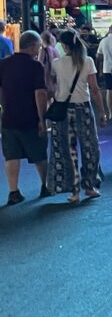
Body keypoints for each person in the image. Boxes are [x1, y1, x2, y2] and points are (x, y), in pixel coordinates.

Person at [48, 29, 106, 203]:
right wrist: (102, 112)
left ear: (64, 45)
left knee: (66, 150)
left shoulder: (56, 63)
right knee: (90, 148)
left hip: (63, 110)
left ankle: (73, 190)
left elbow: (52, 86)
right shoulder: (87, 61)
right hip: (84, 108)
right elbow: (95, 89)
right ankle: (90, 185)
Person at [0, 30, 51, 204]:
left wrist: (5, 107)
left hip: (9, 117)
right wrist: (42, 119)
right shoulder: (35, 66)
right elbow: (40, 94)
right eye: (38, 46)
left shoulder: (3, 64)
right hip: (30, 117)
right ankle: (45, 186)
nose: (39, 49)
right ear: (31, 46)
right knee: (39, 153)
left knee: (11, 156)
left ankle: (13, 191)